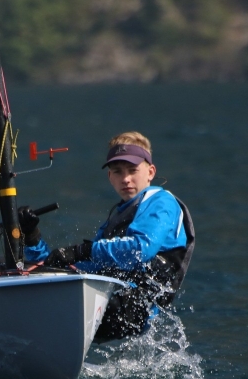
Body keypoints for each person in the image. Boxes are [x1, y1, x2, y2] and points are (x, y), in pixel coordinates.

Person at [19, 131, 195, 341]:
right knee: (14, 271)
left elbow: (141, 249)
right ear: (110, 176)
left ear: (150, 171)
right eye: (118, 172)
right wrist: (31, 235)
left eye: (133, 170)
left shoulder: (161, 202)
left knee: (44, 304)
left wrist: (81, 250)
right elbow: (81, 267)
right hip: (112, 299)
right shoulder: (118, 215)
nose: (126, 179)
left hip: (135, 307)